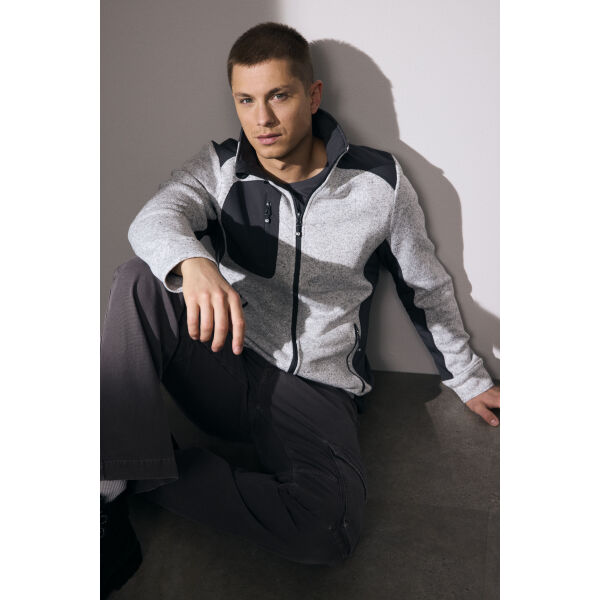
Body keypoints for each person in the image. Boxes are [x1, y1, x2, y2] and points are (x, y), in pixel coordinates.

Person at [100, 21, 500, 599]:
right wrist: (195, 263)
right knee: (139, 278)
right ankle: (108, 490)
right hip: (225, 360)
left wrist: (469, 378)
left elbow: (425, 286)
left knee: (328, 530)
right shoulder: (222, 166)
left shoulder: (378, 183)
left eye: (278, 96)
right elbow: (153, 219)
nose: (261, 119)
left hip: (314, 386)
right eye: (245, 100)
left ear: (312, 96)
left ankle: (142, 465)